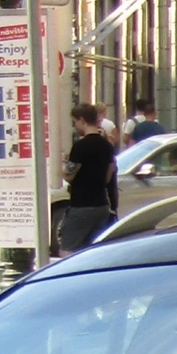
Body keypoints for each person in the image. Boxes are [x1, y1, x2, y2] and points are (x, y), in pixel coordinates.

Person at [57, 104, 116, 254]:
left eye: (75, 122)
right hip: (101, 205)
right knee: (93, 251)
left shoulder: (80, 147)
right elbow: (109, 175)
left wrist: (62, 166)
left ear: (82, 120)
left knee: (67, 250)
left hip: (81, 205)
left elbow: (69, 175)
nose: (75, 126)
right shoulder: (107, 146)